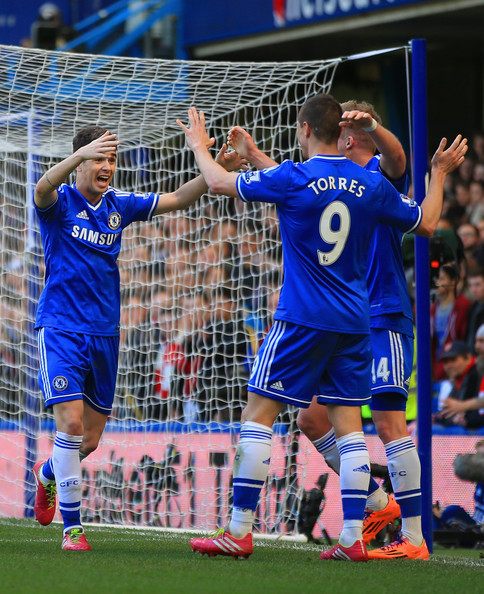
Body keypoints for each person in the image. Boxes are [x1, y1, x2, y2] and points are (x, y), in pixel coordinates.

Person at [176, 95, 467, 561]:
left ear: (306, 129)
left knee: (258, 414)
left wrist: (197, 145)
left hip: (303, 317)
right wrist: (439, 174)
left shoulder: (295, 176)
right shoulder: (368, 185)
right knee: (348, 428)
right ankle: (353, 537)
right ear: (341, 133)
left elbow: (216, 181)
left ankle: (239, 529)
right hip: (353, 321)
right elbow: (428, 222)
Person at [228, 100, 429, 560]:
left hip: (382, 313)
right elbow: (301, 183)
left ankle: (414, 537)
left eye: (349, 122)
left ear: (353, 135)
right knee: (312, 418)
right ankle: (375, 503)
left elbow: (398, 160)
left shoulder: (376, 175)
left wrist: (384, 134)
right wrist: (255, 156)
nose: (342, 129)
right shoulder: (341, 179)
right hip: (350, 317)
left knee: (386, 422)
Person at [31, 124, 245, 551]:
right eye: (99, 158)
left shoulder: (119, 204)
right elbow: (41, 187)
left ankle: (48, 473)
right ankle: (73, 530)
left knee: (88, 441)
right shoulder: (59, 202)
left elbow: (179, 198)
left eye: (111, 159)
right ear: (80, 161)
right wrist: (79, 154)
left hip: (105, 334)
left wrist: (212, 167)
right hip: (60, 328)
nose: (107, 166)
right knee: (70, 426)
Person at [430, 264, 471, 380]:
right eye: (436, 279)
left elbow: (465, 337)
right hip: (436, 368)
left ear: (453, 281)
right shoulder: (432, 310)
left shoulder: (463, 306)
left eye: (442, 279)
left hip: (456, 368)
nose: (437, 282)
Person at [438, 341, 484, 429]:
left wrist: (443, 418)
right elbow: (447, 411)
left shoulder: (475, 373)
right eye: (446, 362)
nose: (449, 366)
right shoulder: (460, 376)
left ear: (468, 358)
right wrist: (438, 417)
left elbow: (463, 414)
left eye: (453, 360)